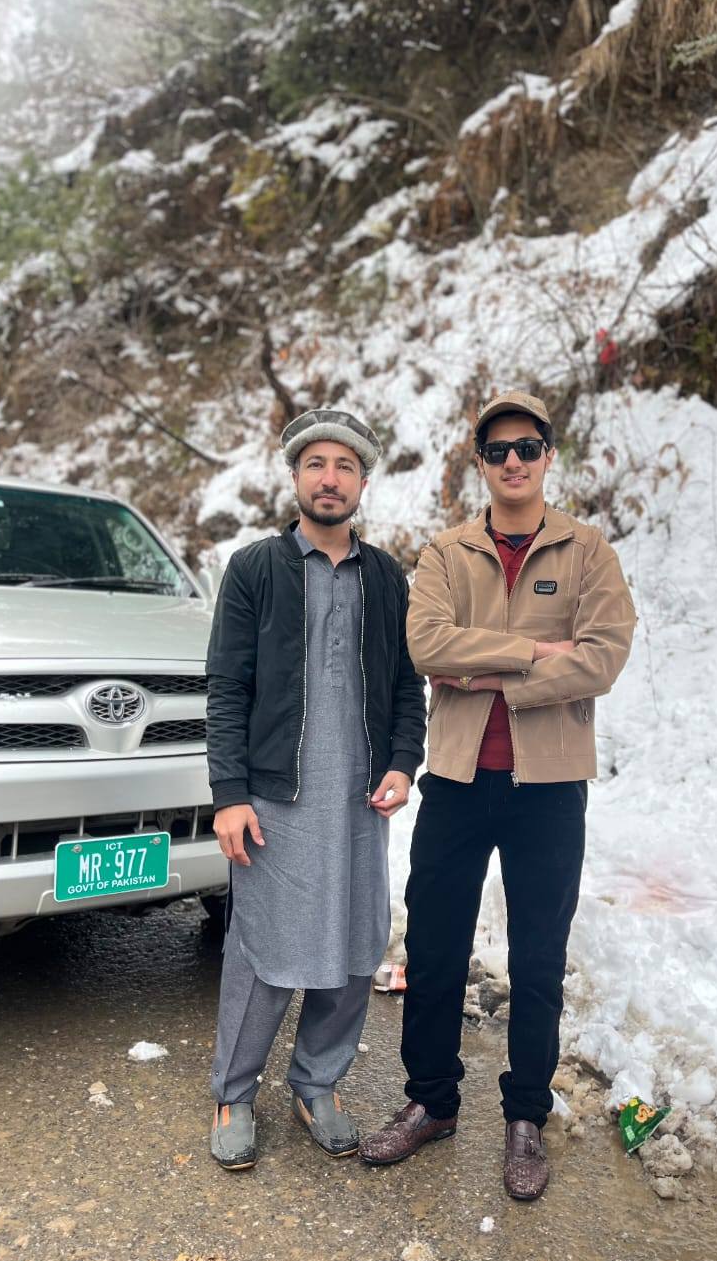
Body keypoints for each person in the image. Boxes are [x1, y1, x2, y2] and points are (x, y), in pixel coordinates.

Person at [359, 390, 636, 1200]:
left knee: (540, 957)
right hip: (456, 776)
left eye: (527, 447)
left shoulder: (588, 552)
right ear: (480, 463)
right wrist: (534, 652)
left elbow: (603, 657)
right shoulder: (447, 553)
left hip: (549, 787)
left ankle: (525, 1119)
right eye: (498, 450)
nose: (514, 461)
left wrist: (492, 677)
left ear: (549, 456)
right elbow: (426, 645)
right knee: (435, 945)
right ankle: (431, 1102)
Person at [205, 408, 426, 1170]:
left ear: (362, 482)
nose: (330, 479)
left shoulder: (386, 577)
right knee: (264, 949)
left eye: (345, 466)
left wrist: (404, 760)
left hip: (360, 799)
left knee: (356, 944)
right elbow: (226, 688)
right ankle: (234, 1091)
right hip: (276, 798)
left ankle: (317, 1083)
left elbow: (407, 686)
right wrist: (229, 792)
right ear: (296, 477)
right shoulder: (255, 569)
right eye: (316, 464)